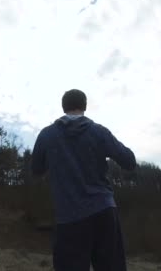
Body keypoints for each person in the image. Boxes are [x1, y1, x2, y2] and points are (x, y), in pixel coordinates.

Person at [32, 89, 136, 271]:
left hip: (69, 218)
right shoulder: (100, 132)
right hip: (104, 211)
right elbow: (129, 161)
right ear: (85, 106)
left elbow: (36, 169)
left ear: (63, 107)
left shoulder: (46, 135)